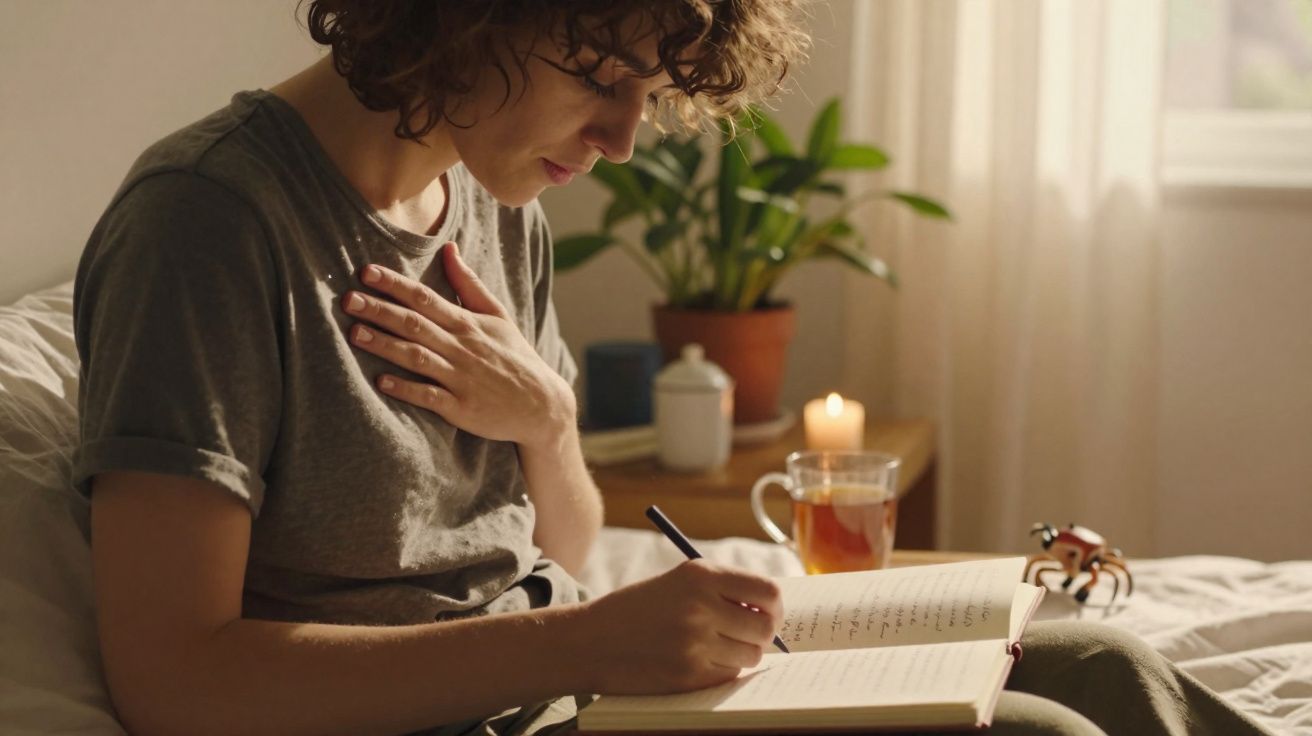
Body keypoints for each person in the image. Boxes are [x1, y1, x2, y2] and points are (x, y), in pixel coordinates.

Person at [69, 2, 1271, 735]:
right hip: (485, 712)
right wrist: (581, 646)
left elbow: (565, 543)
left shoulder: (489, 200)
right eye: (599, 79)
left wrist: (546, 422)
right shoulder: (209, 223)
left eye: (648, 94)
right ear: (461, 17)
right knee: (1044, 731)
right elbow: (175, 681)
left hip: (567, 678)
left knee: (1105, 661)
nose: (621, 138)